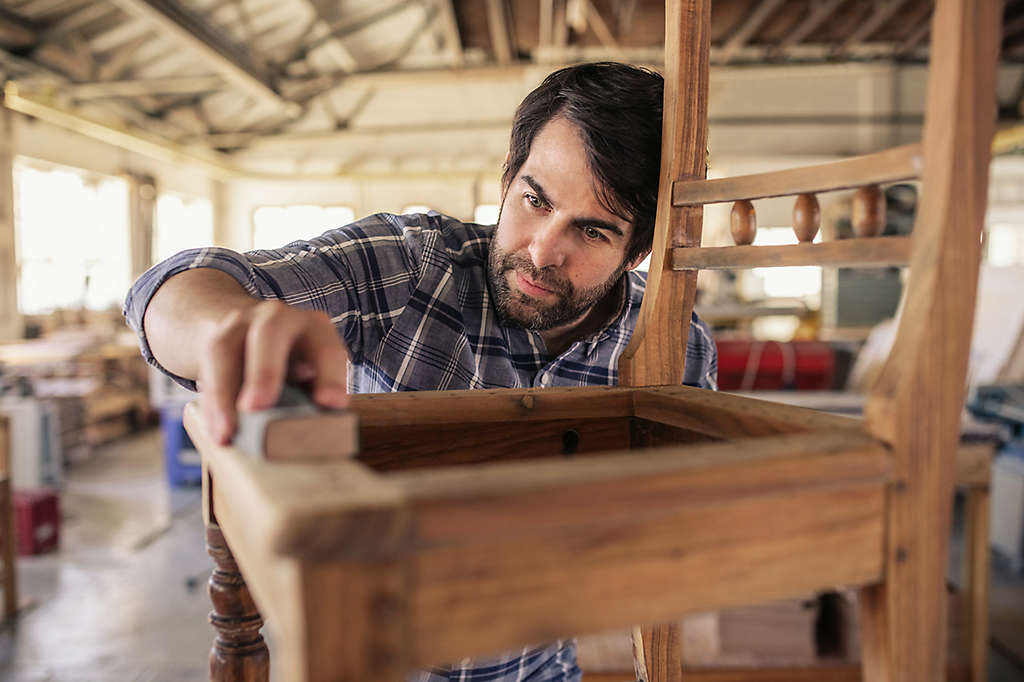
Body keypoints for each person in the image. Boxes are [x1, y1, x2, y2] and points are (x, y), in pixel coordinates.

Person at [124, 61, 717, 682]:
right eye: (534, 200)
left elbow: (679, 541)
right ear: (508, 178)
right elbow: (165, 292)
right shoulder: (417, 265)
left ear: (639, 252)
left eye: (592, 231)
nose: (542, 250)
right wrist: (228, 327)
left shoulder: (677, 346)